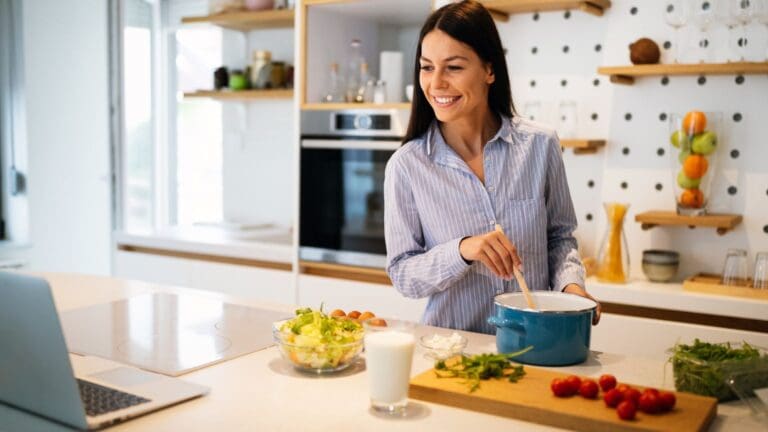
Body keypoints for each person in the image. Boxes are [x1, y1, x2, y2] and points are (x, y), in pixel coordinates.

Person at [383, 0, 600, 335]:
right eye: (427, 67)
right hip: (453, 349)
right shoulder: (407, 165)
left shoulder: (540, 146)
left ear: (489, 70)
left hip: (535, 344)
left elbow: (560, 239)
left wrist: (570, 287)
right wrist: (462, 250)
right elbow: (403, 275)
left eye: (453, 67)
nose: (436, 83)